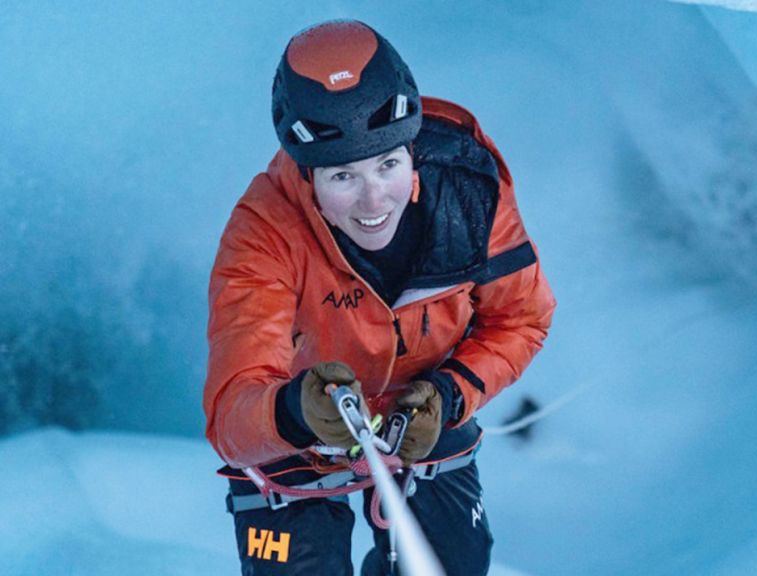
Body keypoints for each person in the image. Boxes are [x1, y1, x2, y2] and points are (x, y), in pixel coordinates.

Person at [203, 19, 556, 576]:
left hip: (426, 417)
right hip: (297, 442)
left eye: (388, 165)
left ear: (412, 151)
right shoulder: (263, 234)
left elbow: (522, 319)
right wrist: (298, 411)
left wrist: (449, 395)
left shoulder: (467, 193)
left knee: (457, 565)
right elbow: (231, 413)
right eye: (343, 176)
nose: (373, 200)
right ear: (307, 173)